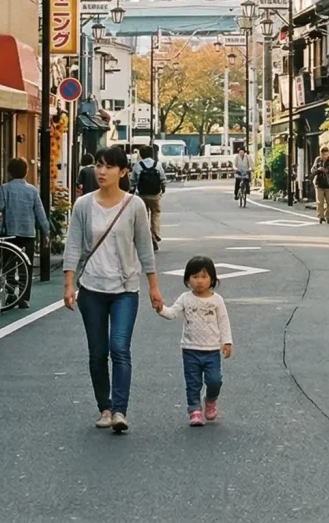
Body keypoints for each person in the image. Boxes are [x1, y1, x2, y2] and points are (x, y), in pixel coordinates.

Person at [64, 144, 164, 434]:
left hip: (124, 289)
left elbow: (145, 249)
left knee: (119, 348)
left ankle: (120, 410)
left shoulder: (134, 206)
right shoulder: (83, 205)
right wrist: (69, 283)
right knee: (97, 353)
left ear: (123, 172)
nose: (101, 171)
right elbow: (73, 245)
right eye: (98, 165)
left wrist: (153, 287)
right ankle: (104, 408)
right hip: (91, 288)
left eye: (108, 166)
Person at [156, 256, 234, 426]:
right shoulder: (185, 298)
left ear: (212, 279)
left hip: (212, 350)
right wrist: (160, 308)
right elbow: (172, 313)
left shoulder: (217, 300)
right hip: (190, 349)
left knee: (215, 380)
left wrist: (227, 342)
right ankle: (195, 410)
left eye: (204, 277)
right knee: (193, 382)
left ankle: (210, 399)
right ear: (187, 279)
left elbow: (224, 321)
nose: (199, 281)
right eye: (195, 277)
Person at [0, 157, 52, 308]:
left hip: (9, 233)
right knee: (26, 266)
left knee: (9, 265)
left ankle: (11, 294)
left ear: (10, 172)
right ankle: (24, 298)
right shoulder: (32, 190)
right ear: (26, 171)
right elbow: (40, 213)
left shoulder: (4, 188)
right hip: (27, 233)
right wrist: (46, 232)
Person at [130, 144, 167, 244]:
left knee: (144, 216)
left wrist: (132, 191)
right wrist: (163, 188)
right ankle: (155, 235)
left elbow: (133, 181)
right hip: (155, 195)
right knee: (156, 213)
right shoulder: (157, 165)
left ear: (141, 154)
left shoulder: (138, 165)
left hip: (142, 195)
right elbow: (163, 178)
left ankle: (147, 236)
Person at [311, 147, 329, 224]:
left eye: (326, 154)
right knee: (320, 201)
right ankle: (321, 216)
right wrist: (318, 169)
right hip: (319, 183)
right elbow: (312, 170)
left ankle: (328, 216)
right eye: (323, 154)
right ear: (320, 154)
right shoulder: (318, 160)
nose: (324, 156)